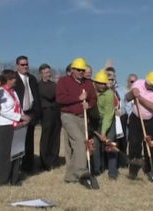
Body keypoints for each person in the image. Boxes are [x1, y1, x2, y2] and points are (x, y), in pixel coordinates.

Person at [56, 58, 97, 188]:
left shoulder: (88, 84)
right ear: (72, 70)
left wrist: (89, 105)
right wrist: (77, 99)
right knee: (80, 142)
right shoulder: (63, 81)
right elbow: (60, 99)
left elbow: (93, 99)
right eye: (78, 69)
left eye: (82, 70)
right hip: (68, 116)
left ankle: (70, 176)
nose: (81, 72)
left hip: (82, 117)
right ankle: (82, 172)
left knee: (75, 147)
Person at [0, 70, 30, 186]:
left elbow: (18, 106)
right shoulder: (1, 92)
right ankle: (2, 180)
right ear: (7, 80)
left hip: (16, 125)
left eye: (15, 78)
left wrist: (23, 117)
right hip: (4, 126)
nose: (15, 80)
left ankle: (14, 179)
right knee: (5, 154)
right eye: (12, 78)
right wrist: (20, 116)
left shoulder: (13, 92)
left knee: (16, 152)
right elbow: (3, 111)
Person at [126, 71, 153, 179]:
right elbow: (128, 98)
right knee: (134, 145)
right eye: (151, 85)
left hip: (151, 120)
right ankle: (133, 170)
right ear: (147, 82)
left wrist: (139, 97)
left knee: (150, 145)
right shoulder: (137, 83)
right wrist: (132, 93)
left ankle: (149, 169)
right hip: (135, 119)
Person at [14, 56, 41, 173]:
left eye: (26, 64)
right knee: (18, 142)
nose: (25, 66)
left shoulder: (32, 78)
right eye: (22, 64)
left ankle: (28, 167)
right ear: (17, 66)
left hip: (31, 113)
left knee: (29, 142)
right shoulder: (13, 78)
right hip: (18, 114)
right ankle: (16, 168)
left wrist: (35, 114)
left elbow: (36, 97)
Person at [90, 71, 118, 180]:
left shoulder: (109, 93)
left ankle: (112, 172)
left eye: (104, 83)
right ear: (95, 83)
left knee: (110, 144)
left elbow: (108, 115)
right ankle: (96, 170)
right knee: (95, 145)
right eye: (100, 83)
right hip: (95, 120)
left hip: (108, 120)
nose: (102, 85)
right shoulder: (90, 90)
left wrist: (103, 132)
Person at [38, 64, 61, 170]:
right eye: (46, 72)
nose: (49, 74)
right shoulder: (40, 85)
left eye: (49, 72)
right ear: (41, 73)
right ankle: (45, 161)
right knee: (46, 137)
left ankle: (54, 159)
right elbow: (50, 95)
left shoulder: (53, 84)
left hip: (56, 113)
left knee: (55, 137)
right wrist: (58, 86)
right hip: (46, 113)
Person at [118, 74, 137, 165]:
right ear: (128, 81)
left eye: (135, 81)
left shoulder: (138, 91)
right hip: (125, 118)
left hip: (136, 119)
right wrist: (128, 116)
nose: (134, 84)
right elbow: (123, 105)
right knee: (124, 140)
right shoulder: (123, 91)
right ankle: (123, 160)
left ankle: (134, 158)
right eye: (132, 81)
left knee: (134, 141)